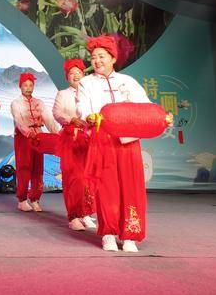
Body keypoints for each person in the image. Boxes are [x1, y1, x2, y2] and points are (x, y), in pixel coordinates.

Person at [77, 35, 151, 253]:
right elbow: (82, 107)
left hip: (128, 141)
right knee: (106, 187)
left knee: (132, 187)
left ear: (113, 58)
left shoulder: (128, 82)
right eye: (93, 57)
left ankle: (130, 235)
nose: (97, 61)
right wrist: (89, 116)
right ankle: (108, 233)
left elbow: (145, 106)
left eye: (101, 56)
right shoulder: (86, 83)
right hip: (103, 140)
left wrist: (160, 118)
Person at [52, 58, 96, 231]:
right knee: (73, 178)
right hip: (71, 139)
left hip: (90, 139)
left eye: (79, 72)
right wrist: (71, 119)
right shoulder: (63, 94)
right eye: (72, 73)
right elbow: (57, 113)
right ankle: (74, 216)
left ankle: (86, 212)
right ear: (67, 77)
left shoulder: (90, 93)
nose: (76, 76)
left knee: (88, 177)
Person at [10, 72, 60, 212]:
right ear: (20, 86)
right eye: (25, 85)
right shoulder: (16, 103)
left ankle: (35, 199)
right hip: (23, 137)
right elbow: (19, 121)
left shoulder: (39, 102)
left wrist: (56, 133)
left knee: (38, 168)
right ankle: (22, 199)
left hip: (38, 136)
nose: (28, 88)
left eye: (30, 85)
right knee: (24, 167)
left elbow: (48, 119)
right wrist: (28, 133)